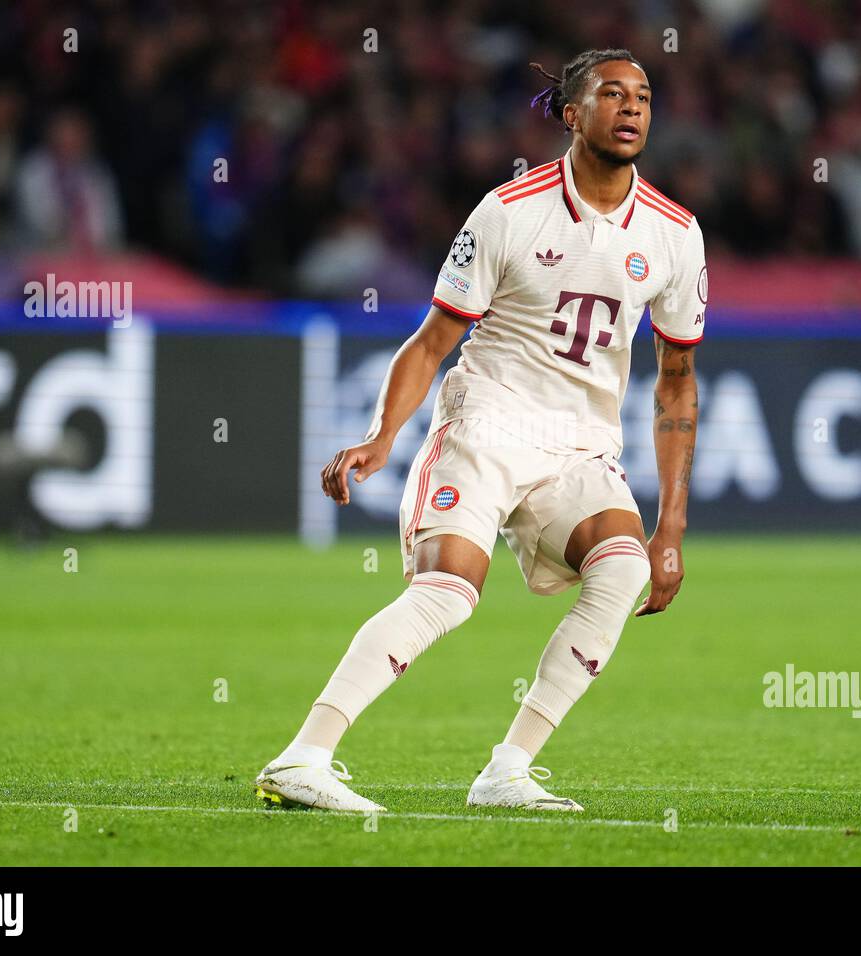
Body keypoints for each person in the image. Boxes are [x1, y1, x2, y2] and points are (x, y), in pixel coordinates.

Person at [256, 49, 705, 812]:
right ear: (572, 114)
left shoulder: (674, 233)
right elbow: (433, 339)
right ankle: (303, 758)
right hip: (489, 419)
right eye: (612, 94)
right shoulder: (508, 210)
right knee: (448, 591)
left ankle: (507, 771)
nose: (632, 109)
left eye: (644, 96)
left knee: (624, 569)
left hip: (582, 443)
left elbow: (676, 382)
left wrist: (673, 528)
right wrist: (380, 436)